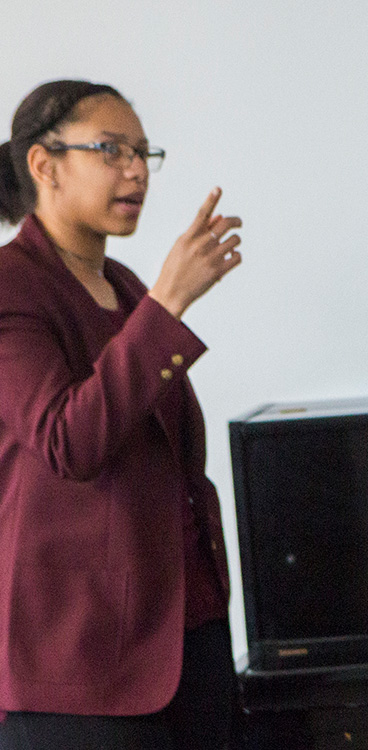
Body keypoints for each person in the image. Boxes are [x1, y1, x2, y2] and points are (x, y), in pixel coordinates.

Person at [0, 80, 243, 749]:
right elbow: (67, 442)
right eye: (111, 149)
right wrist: (167, 306)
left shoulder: (127, 286)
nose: (135, 169)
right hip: (77, 659)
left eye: (142, 152)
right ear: (44, 165)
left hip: (183, 638)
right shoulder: (13, 284)